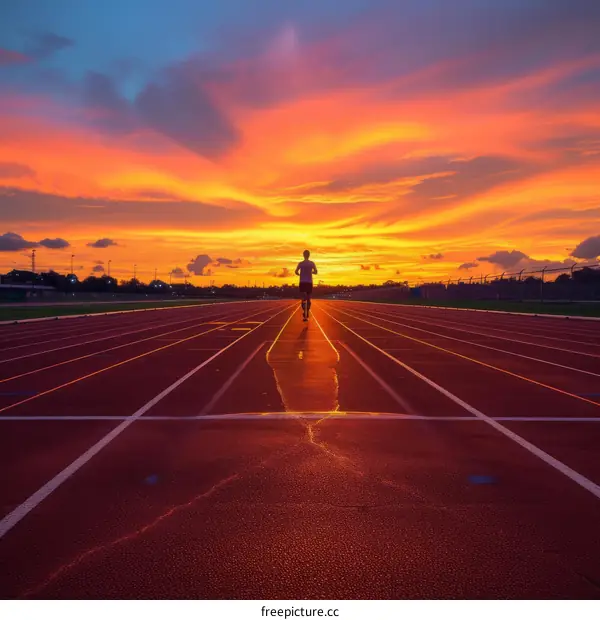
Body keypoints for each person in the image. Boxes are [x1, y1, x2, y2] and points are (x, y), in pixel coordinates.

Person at [295, 249, 317, 321]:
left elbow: (296, 272)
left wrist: (300, 274)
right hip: (309, 282)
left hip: (302, 282)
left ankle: (304, 311)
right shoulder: (312, 263)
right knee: (308, 298)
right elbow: (316, 272)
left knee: (303, 299)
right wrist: (311, 272)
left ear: (303, 255)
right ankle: (307, 311)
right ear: (309, 255)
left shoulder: (300, 263)